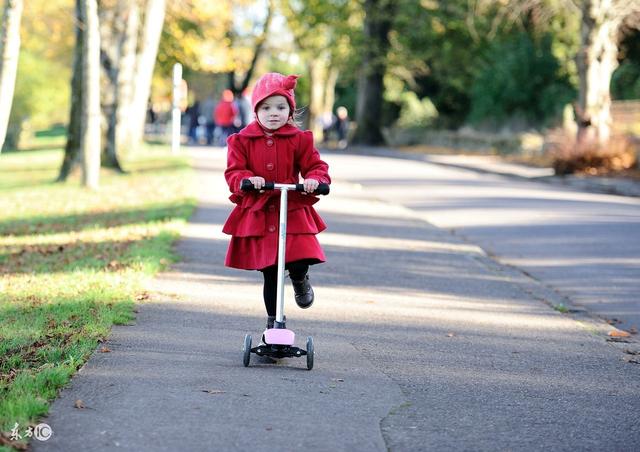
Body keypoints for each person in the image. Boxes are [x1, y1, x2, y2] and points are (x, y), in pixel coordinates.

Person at [222, 72, 331, 341]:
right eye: (266, 107)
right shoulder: (242, 140)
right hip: (260, 211)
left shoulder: (299, 139)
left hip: (291, 207)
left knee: (300, 255)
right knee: (270, 271)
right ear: (256, 109)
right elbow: (234, 172)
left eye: (281, 107)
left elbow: (315, 166)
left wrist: (315, 180)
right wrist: (247, 180)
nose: (274, 113)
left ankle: (300, 278)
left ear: (290, 111)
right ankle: (273, 324)